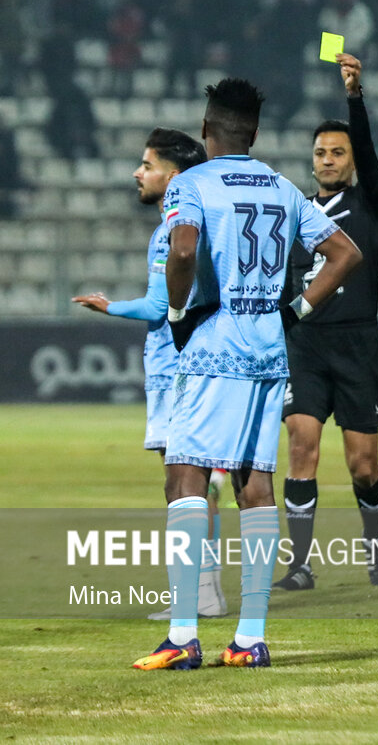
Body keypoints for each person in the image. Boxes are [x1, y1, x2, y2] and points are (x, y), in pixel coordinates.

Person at [132, 78, 361, 671]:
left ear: (206, 129)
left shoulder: (192, 184)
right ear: (254, 134)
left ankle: (183, 634)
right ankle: (250, 639)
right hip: (269, 351)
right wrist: (297, 310)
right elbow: (346, 254)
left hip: (215, 346)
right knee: (254, 485)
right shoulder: (282, 187)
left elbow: (184, 252)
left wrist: (177, 315)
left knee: (185, 477)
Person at [72, 128, 228, 618]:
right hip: (196, 363)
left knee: (182, 485)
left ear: (174, 177)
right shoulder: (199, 225)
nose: (137, 173)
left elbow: (159, 307)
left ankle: (200, 594)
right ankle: (206, 591)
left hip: (174, 368)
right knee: (191, 483)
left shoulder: (172, 233)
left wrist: (109, 306)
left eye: (147, 165)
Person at [275, 53, 378, 592]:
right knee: (301, 447)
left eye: (337, 152)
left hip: (356, 345)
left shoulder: (370, 202)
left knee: (362, 466)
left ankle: (375, 546)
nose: (327, 160)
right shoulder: (297, 212)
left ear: (351, 161)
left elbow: (368, 151)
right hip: (304, 345)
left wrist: (354, 97)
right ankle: (299, 565)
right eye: (321, 152)